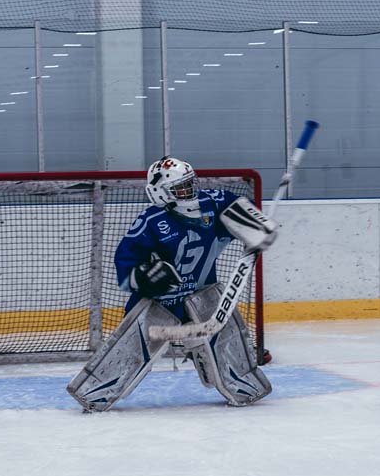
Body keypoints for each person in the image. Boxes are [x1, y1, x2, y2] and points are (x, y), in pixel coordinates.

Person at [113, 157, 279, 407]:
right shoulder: (151, 221)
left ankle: (210, 358)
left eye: (190, 184)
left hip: (203, 296)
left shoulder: (211, 204)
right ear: (160, 193)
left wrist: (256, 222)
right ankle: (105, 386)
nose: (190, 191)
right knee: (128, 359)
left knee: (224, 340)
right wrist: (144, 277)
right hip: (160, 303)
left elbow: (235, 204)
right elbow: (125, 264)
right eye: (181, 188)